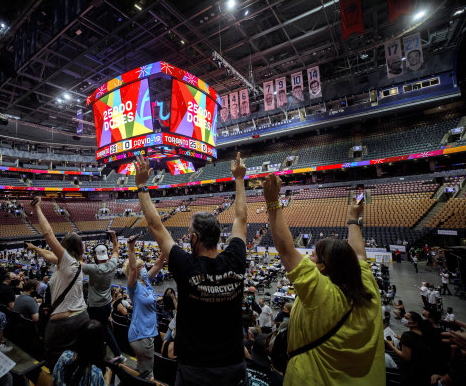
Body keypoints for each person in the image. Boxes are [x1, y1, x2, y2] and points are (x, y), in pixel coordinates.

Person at [134, 153, 248, 385]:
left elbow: (155, 225)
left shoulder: (185, 266)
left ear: (194, 238)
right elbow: (241, 218)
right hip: (234, 367)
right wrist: (239, 179)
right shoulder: (236, 257)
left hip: (195, 370)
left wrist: (142, 186)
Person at [263, 172, 384, 384]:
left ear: (323, 267)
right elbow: (359, 254)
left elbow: (285, 249)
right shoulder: (366, 284)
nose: (309, 258)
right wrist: (353, 219)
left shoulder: (322, 295)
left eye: (313, 256)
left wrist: (273, 202)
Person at [31, 197, 89, 367]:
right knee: (79, 361)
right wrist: (35, 248)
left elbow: (48, 234)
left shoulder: (67, 262)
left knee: (56, 364)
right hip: (81, 318)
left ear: (65, 246)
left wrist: (38, 209)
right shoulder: (70, 263)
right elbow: (50, 255)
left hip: (65, 324)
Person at [124, 233, 164, 379]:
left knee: (141, 369)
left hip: (146, 332)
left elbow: (159, 263)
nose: (143, 268)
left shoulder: (146, 281)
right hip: (141, 335)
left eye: (143, 265)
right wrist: (131, 248)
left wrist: (166, 246)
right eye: (140, 266)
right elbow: (133, 269)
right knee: (148, 374)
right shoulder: (133, 286)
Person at [82, 231, 123, 363]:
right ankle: (118, 354)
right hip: (107, 305)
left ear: (95, 255)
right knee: (105, 328)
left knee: (92, 331)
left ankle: (93, 356)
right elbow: (116, 250)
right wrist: (114, 237)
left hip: (95, 307)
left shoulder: (93, 268)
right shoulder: (112, 264)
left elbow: (75, 261)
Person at [386, 312, 439, 386]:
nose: (403, 319)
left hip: (410, 372)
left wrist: (391, 346)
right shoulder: (424, 333)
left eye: (407, 318)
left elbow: (406, 357)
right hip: (422, 370)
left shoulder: (407, 335)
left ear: (415, 322)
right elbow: (416, 343)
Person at [52, 319, 112, 386]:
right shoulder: (96, 374)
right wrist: (107, 378)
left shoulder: (64, 355)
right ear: (100, 346)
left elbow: (54, 380)